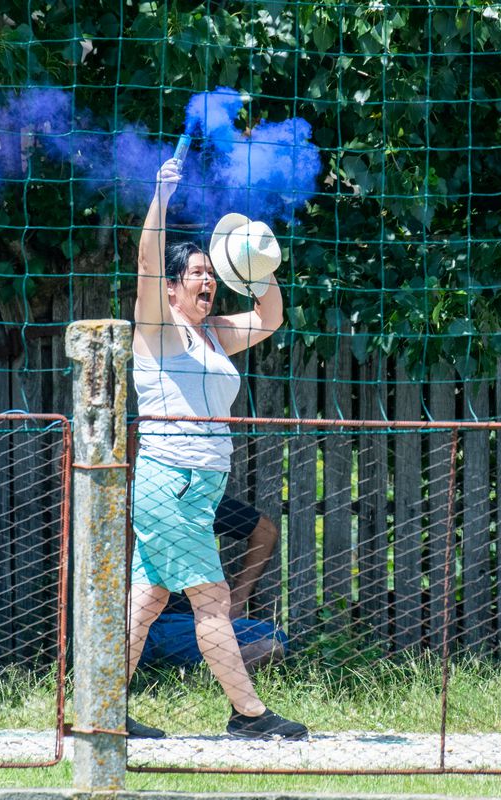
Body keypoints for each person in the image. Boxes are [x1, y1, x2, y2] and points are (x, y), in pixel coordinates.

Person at [126, 157, 307, 741]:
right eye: (197, 274)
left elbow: (271, 318)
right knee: (213, 599)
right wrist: (160, 194)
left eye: (211, 273)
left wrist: (256, 270)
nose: (207, 282)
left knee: (149, 599)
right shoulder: (157, 328)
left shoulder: (212, 334)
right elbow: (148, 261)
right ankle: (248, 715)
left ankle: (97, 709)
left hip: (194, 487)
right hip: (170, 479)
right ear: (174, 287)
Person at [140, 496, 285, 672]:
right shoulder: (117, 503)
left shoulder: (193, 498)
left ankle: (213, 671)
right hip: (134, 624)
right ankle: (219, 669)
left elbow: (265, 531)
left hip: (187, 625)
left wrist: (237, 600)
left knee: (272, 636)